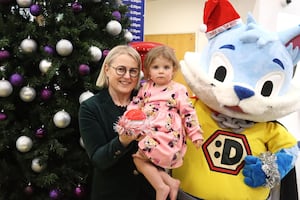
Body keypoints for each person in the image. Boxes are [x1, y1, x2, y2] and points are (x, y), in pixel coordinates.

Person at [115, 45, 204, 200]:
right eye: (156, 67)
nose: (161, 71)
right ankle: (170, 182)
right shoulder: (146, 87)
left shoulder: (178, 89)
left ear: (174, 69)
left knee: (139, 158)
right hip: (150, 130)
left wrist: (195, 134)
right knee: (142, 159)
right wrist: (129, 120)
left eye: (166, 67)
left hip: (168, 134)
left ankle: (162, 187)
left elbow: (188, 112)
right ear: (148, 70)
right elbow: (136, 103)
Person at [78, 45, 155, 200]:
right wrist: (122, 141)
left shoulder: (148, 101)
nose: (127, 76)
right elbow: (99, 160)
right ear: (107, 69)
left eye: (133, 71)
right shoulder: (91, 108)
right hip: (112, 193)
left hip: (148, 192)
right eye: (121, 69)